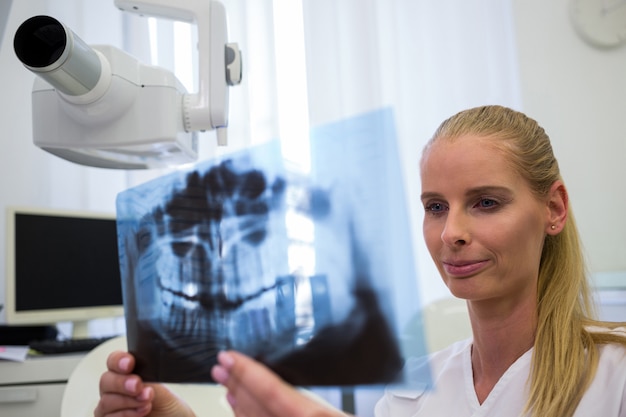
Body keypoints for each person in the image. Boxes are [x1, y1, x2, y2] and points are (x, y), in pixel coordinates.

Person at [94, 105, 626, 417]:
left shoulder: (615, 377)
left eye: (486, 202)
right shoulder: (407, 391)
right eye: (434, 207)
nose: (451, 233)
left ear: (553, 208)